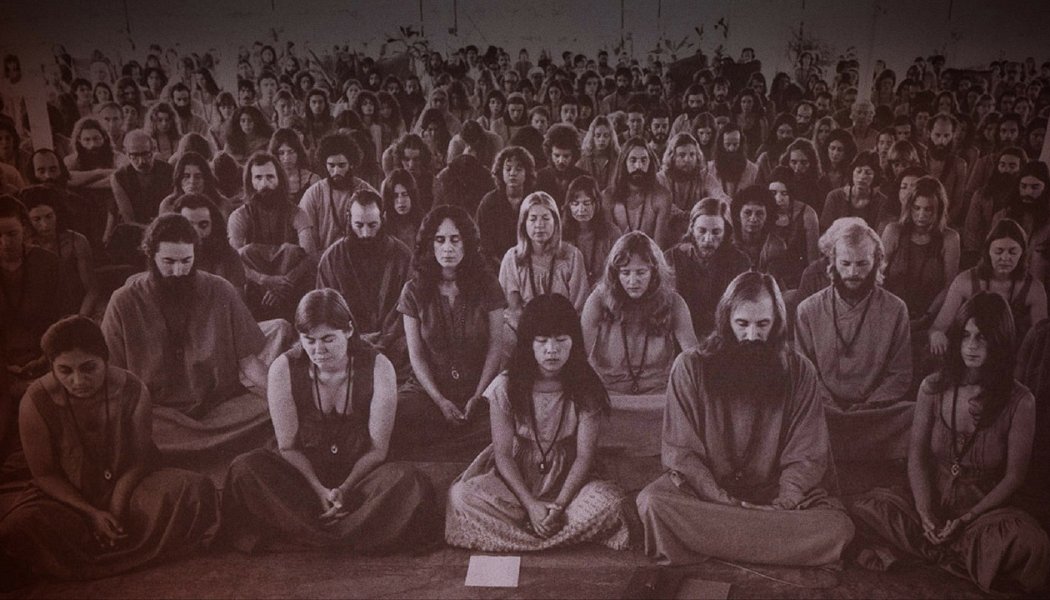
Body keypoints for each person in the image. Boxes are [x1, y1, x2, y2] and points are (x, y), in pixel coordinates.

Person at [636, 271, 855, 566]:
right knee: (653, 503)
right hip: (707, 497)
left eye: (762, 324)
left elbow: (806, 455)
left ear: (777, 323)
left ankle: (714, 542)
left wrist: (784, 502)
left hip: (775, 496)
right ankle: (773, 545)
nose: (752, 336)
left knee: (837, 527)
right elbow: (682, 454)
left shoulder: (801, 372)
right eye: (742, 324)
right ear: (726, 320)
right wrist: (722, 500)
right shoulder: (689, 366)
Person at [850, 293, 1048, 594]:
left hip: (981, 515)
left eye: (982, 338)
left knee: (1032, 544)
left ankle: (943, 551)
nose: (971, 346)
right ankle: (949, 551)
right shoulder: (933, 387)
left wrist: (967, 518)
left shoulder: (1021, 401)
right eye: (966, 335)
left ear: (1000, 342)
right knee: (866, 507)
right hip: (931, 503)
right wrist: (925, 512)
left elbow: (1014, 477)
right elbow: (916, 455)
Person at [0, 316, 219, 582]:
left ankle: (93, 549)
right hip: (65, 500)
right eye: (65, 371)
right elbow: (45, 474)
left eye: (88, 368)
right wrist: (92, 513)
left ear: (105, 359)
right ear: (52, 367)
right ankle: (127, 545)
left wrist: (115, 508)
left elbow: (140, 459)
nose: (78, 380)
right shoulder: (35, 401)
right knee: (19, 527)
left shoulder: (133, 389)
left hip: (130, 488)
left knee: (194, 490)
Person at [221, 289, 437, 553]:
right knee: (244, 470)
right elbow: (287, 447)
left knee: (410, 482)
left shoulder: (379, 366)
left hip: (361, 480)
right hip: (303, 480)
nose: (318, 350)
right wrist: (319, 490)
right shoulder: (282, 368)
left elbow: (378, 449)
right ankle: (354, 535)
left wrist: (344, 489)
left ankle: (303, 534)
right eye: (309, 340)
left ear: (348, 331)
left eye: (328, 339)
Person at [445, 294, 630, 552]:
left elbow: (584, 456)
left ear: (574, 342)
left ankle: (532, 531)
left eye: (561, 340)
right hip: (515, 485)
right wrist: (531, 505)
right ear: (528, 344)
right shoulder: (505, 386)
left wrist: (560, 505)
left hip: (569, 484)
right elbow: (503, 455)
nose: (551, 350)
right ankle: (551, 531)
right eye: (542, 341)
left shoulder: (586, 386)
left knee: (610, 503)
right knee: (462, 497)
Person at [101, 214, 274, 457]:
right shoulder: (123, 301)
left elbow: (249, 362)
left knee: (271, 407)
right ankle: (205, 445)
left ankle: (185, 447)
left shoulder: (221, 290)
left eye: (186, 261)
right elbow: (113, 377)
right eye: (168, 261)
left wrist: (281, 397)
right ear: (151, 256)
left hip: (218, 409)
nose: (179, 271)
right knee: (125, 428)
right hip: (157, 414)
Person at [795, 217, 915, 461]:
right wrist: (830, 405)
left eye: (862, 264)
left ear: (877, 263)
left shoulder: (895, 309)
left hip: (875, 412)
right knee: (795, 414)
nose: (852, 273)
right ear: (833, 263)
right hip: (824, 410)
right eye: (845, 263)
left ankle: (840, 451)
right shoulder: (808, 310)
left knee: (914, 413)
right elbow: (805, 372)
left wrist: (871, 404)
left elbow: (900, 374)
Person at [392, 205, 505, 459]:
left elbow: (495, 348)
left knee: (505, 418)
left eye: (455, 240)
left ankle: (451, 449)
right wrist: (440, 401)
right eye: (440, 240)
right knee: (397, 413)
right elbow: (416, 356)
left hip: (479, 389)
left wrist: (478, 395)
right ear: (429, 245)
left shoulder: (488, 285)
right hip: (430, 392)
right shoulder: (413, 290)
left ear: (468, 243)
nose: (448, 248)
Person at [316, 189, 411, 372]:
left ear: (383, 219)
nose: (366, 233)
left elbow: (408, 308)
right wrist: (355, 338)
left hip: (393, 343)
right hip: (345, 341)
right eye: (358, 225)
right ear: (349, 220)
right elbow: (325, 310)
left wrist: (384, 339)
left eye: (372, 225)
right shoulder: (331, 259)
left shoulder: (402, 256)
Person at [929, 219, 1047, 355]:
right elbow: (937, 327)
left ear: (1022, 254)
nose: (1005, 258)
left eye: (1013, 252)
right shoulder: (964, 282)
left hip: (1013, 356)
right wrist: (937, 335)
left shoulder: (1034, 288)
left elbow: (1041, 338)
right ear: (988, 252)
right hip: (971, 353)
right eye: (999, 251)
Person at [228, 153, 316, 321]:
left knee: (292, 252)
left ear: (279, 179)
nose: (264, 184)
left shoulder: (297, 213)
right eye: (258, 178)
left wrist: (283, 283)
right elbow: (233, 261)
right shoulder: (239, 216)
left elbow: (309, 255)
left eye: (270, 177)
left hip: (291, 287)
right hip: (256, 288)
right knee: (245, 252)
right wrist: (265, 280)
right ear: (250, 182)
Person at [499, 191, 589, 339]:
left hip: (563, 332)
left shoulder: (572, 256)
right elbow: (512, 310)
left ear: (556, 222)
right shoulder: (512, 258)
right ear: (523, 224)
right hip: (524, 332)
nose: (539, 225)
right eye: (533, 219)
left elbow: (578, 307)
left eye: (546, 218)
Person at [882, 176, 961, 339]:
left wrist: (926, 318)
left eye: (928, 209)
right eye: (916, 208)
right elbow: (878, 276)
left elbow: (950, 286)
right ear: (909, 207)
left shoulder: (950, 238)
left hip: (931, 319)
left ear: (939, 210)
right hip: (889, 315)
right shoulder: (893, 231)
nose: (921, 215)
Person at [666, 197, 751, 339]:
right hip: (681, 337)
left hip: (726, 336)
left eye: (716, 232)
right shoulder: (672, 258)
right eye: (702, 231)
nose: (708, 239)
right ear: (692, 229)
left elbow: (743, 311)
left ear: (726, 232)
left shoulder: (740, 262)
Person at [19, 185, 100, 318]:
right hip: (38, 316)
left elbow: (92, 291)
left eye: (49, 216)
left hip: (76, 311)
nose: (45, 225)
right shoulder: (22, 245)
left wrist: (79, 319)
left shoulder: (77, 241)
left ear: (57, 214)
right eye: (37, 219)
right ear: (26, 221)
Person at [300, 134, 377, 253]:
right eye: (331, 166)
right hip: (322, 259)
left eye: (342, 165)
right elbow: (306, 236)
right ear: (325, 165)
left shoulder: (366, 190)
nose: (336, 171)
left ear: (351, 164)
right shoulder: (313, 194)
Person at [602, 137, 672, 249]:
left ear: (650, 163)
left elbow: (659, 247)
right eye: (633, 160)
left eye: (644, 160)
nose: (638, 166)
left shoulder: (662, 196)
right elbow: (608, 244)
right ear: (624, 163)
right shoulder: (608, 196)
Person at [963, 147, 1025, 265]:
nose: (1006, 170)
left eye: (1012, 166)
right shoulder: (981, 195)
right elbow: (971, 229)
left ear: (1021, 169)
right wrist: (975, 254)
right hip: (980, 253)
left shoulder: (1023, 199)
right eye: (1002, 165)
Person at [172, 193, 245, 292]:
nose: (196, 232)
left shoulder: (229, 256)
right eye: (188, 225)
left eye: (203, 225)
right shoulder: (164, 257)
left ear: (213, 225)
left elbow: (236, 298)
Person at [477, 145, 536, 267]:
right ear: (500, 172)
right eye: (508, 169)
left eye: (518, 169)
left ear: (527, 173)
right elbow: (484, 245)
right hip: (495, 266)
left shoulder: (535, 200)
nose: (512, 173)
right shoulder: (489, 202)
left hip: (531, 264)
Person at [561, 175, 622, 287]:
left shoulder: (612, 233)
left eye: (587, 203)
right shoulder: (560, 234)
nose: (581, 209)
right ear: (568, 206)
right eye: (575, 204)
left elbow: (618, 270)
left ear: (596, 203)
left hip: (603, 290)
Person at [109, 129, 174, 233]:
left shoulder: (168, 171)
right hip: (136, 230)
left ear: (153, 150)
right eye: (134, 156)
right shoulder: (119, 177)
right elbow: (129, 219)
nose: (141, 161)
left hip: (166, 228)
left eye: (146, 154)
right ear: (126, 153)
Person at [768, 166, 820, 289]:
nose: (778, 199)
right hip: (769, 278)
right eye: (773, 193)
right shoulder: (762, 211)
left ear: (792, 193)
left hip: (799, 280)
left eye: (784, 193)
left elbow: (813, 260)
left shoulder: (807, 214)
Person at [732, 185, 792, 286]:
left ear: (767, 216)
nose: (753, 219)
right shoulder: (728, 243)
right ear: (738, 215)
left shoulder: (776, 246)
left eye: (759, 213)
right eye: (747, 213)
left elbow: (770, 283)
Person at [820, 151, 892, 233]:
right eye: (858, 171)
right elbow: (824, 231)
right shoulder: (835, 196)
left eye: (868, 173)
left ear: (875, 177)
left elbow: (879, 235)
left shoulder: (882, 202)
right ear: (852, 172)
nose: (862, 177)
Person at [705, 124, 758, 205]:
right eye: (727, 144)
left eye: (735, 144)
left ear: (741, 144)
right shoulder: (709, 169)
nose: (731, 149)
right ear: (721, 145)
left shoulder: (753, 170)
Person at [535, 123, 587, 202]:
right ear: (550, 153)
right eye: (556, 155)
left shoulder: (583, 178)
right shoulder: (539, 177)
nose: (561, 161)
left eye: (566, 156)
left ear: (574, 155)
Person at [269, 127, 320, 205]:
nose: (286, 158)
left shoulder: (313, 180)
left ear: (298, 152)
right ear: (275, 155)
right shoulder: (268, 180)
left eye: (291, 152)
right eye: (281, 153)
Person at [380, 168, 423, 251]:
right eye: (395, 196)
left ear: (412, 195)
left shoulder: (423, 222)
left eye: (405, 194)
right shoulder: (383, 224)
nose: (400, 201)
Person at [576, 115, 619, 191]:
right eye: (598, 135)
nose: (602, 139)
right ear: (592, 137)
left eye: (606, 135)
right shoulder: (583, 160)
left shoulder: (617, 159)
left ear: (611, 138)